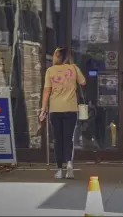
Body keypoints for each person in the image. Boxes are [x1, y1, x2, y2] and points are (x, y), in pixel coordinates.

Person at [39, 47, 86, 179]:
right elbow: (83, 82)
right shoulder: (74, 68)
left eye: (55, 54)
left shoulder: (50, 70)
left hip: (55, 109)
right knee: (68, 138)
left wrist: (43, 109)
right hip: (71, 109)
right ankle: (69, 165)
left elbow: (47, 91)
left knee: (58, 139)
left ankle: (59, 170)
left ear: (58, 56)